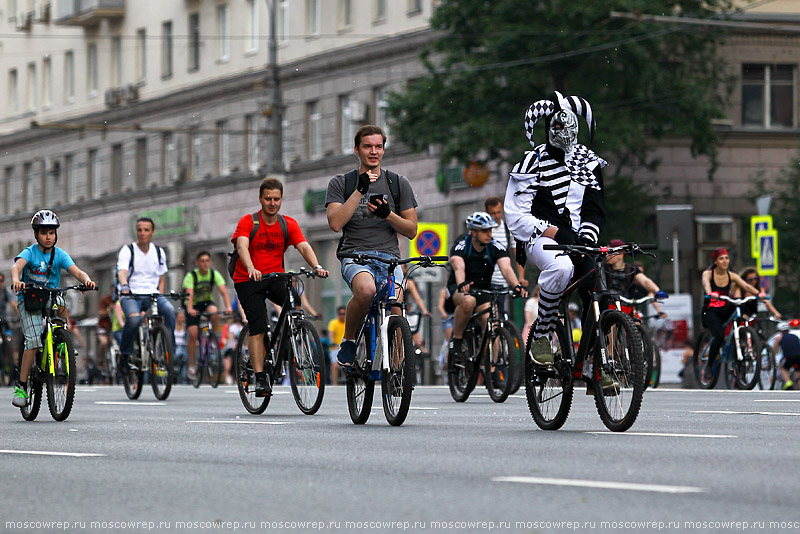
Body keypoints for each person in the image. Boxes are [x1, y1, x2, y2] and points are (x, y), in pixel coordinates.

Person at [504, 91, 618, 393]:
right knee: (560, 268)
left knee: (600, 292)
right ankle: (541, 336)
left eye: (570, 128)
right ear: (548, 128)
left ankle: (598, 364)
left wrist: (587, 237)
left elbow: (596, 210)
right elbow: (515, 215)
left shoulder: (589, 163)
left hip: (581, 241)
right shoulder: (532, 161)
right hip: (540, 238)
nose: (564, 134)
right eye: (557, 127)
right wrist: (552, 231)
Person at [325, 125, 418, 367]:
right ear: (357, 150)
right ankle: (348, 339)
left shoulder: (398, 183)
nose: (373, 151)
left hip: (389, 258)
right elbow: (335, 223)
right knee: (365, 291)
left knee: (396, 306)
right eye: (368, 146)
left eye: (378, 147)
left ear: (384, 150)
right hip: (356, 256)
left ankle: (398, 372)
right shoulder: (341, 182)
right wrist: (359, 190)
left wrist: (388, 214)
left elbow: (411, 230)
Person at [231, 177, 328, 397]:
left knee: (293, 302)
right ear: (260, 199)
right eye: (268, 199)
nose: (272, 203)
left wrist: (316, 265)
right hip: (248, 279)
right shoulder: (248, 221)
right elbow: (242, 246)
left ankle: (289, 339)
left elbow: (303, 246)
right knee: (259, 326)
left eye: (276, 199)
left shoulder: (288, 224)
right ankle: (261, 376)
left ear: (281, 199)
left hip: (275, 277)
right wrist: (251, 267)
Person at [9, 210, 96, 407]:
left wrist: (87, 281)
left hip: (50, 296)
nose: (48, 237)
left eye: (51, 233)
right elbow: (16, 268)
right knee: (32, 341)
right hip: (29, 299)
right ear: (36, 235)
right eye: (44, 233)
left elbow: (77, 271)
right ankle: (21, 386)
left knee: (63, 308)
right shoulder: (30, 252)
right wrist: (16, 281)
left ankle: (62, 342)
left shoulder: (60, 255)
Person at [445, 212, 527, 366]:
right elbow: (458, 266)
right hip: (460, 287)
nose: (489, 234)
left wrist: (516, 285)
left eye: (490, 230)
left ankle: (492, 368)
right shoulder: (462, 245)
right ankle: (456, 340)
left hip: (484, 290)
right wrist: (462, 283)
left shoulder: (495, 246)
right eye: (484, 231)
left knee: (492, 325)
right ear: (474, 232)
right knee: (468, 302)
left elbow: (506, 268)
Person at [117, 217, 176, 371]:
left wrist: (160, 296)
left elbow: (161, 279)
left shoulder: (158, 252)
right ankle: (124, 354)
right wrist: (124, 285)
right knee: (135, 319)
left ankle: (169, 350)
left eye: (146, 230)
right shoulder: (128, 250)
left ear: (152, 232)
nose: (142, 233)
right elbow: (122, 272)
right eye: (139, 230)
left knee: (169, 310)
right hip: (131, 294)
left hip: (152, 294)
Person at [700, 248, 761, 381]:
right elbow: (705, 284)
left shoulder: (732, 275)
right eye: (721, 258)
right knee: (719, 335)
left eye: (726, 258)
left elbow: (746, 286)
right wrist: (711, 293)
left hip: (724, 308)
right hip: (710, 311)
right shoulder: (708, 274)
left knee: (740, 314)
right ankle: (709, 366)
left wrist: (758, 294)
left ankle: (740, 349)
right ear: (715, 261)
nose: (725, 261)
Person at [183, 251, 233, 380]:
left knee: (214, 311)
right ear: (197, 263)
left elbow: (223, 291)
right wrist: (190, 309)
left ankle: (212, 339)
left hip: (206, 302)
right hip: (192, 304)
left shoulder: (214, 274)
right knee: (193, 333)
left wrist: (228, 307)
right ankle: (192, 365)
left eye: (207, 261)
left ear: (210, 262)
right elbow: (189, 294)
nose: (205, 264)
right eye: (202, 261)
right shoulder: (191, 276)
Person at [485, 196, 528, 308]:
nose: (496, 216)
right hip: (486, 281)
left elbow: (517, 253)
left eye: (499, 212)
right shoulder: (483, 231)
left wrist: (521, 277)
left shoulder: (507, 229)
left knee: (501, 314)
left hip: (503, 280)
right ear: (487, 212)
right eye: (493, 213)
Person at [605, 239, 666, 317]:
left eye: (610, 252)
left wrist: (657, 291)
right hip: (607, 308)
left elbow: (645, 281)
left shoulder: (631, 270)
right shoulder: (603, 268)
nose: (607, 255)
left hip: (626, 308)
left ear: (621, 254)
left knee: (637, 323)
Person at [773, 321, 800, 390]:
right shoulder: (795, 336)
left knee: (783, 368)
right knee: (798, 371)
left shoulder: (779, 338)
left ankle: (788, 382)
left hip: (788, 357)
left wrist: (773, 357)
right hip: (799, 356)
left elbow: (774, 350)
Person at [326, 306, 347, 384]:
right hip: (335, 347)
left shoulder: (348, 323)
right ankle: (335, 384)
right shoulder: (333, 323)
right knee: (335, 365)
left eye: (344, 314)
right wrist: (332, 342)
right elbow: (331, 334)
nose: (342, 316)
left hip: (346, 346)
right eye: (341, 314)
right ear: (338, 314)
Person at [173, 311, 188, 384]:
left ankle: (183, 380)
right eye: (180, 317)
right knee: (180, 352)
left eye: (183, 317)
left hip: (183, 346)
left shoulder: (186, 327)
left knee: (184, 355)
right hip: (174, 346)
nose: (181, 319)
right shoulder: (172, 326)